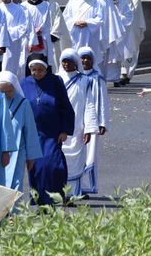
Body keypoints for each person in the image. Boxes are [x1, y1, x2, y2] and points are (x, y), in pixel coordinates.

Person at [21, 53, 75, 206]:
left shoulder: (55, 82)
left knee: (53, 165)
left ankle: (57, 195)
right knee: (37, 168)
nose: (36, 73)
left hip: (52, 132)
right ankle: (41, 201)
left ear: (46, 69)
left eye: (40, 70)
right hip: (34, 133)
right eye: (33, 70)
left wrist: (65, 130)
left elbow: (66, 106)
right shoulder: (24, 84)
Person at [58, 49, 98, 199]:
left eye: (69, 61)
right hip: (59, 128)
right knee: (60, 159)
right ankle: (60, 192)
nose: (66, 64)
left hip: (77, 128)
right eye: (64, 61)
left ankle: (74, 193)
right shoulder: (56, 79)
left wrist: (89, 129)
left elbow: (89, 105)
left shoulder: (84, 81)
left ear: (75, 62)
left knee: (76, 161)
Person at [0, 70, 42, 194]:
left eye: (9, 91)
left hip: (18, 151)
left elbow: (30, 131)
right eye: (2, 91)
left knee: (16, 183)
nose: (6, 95)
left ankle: (15, 213)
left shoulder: (23, 103)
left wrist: (31, 156)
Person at [79, 46, 110, 194]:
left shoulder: (97, 78)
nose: (85, 60)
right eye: (82, 58)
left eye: (88, 58)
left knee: (89, 155)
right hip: (76, 122)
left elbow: (103, 100)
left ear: (93, 60)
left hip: (92, 123)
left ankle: (88, 187)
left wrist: (102, 122)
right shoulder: (74, 77)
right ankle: (74, 186)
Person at [104, 0, 134, 86]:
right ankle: (104, 78)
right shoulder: (103, 3)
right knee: (106, 57)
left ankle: (116, 79)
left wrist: (117, 16)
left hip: (118, 34)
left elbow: (129, 17)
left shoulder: (123, 3)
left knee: (116, 58)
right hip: (107, 33)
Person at [120, 0, 145, 84]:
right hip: (121, 29)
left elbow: (133, 11)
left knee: (131, 51)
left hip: (132, 29)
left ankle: (128, 74)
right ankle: (122, 73)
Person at [0, 0, 30, 76]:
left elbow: (23, 26)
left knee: (11, 67)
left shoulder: (18, 9)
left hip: (12, 43)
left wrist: (8, 32)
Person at [25, 0, 55, 66]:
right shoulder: (23, 6)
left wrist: (40, 29)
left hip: (42, 35)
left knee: (42, 59)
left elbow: (46, 19)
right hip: (29, 36)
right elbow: (24, 22)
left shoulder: (45, 5)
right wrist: (32, 32)